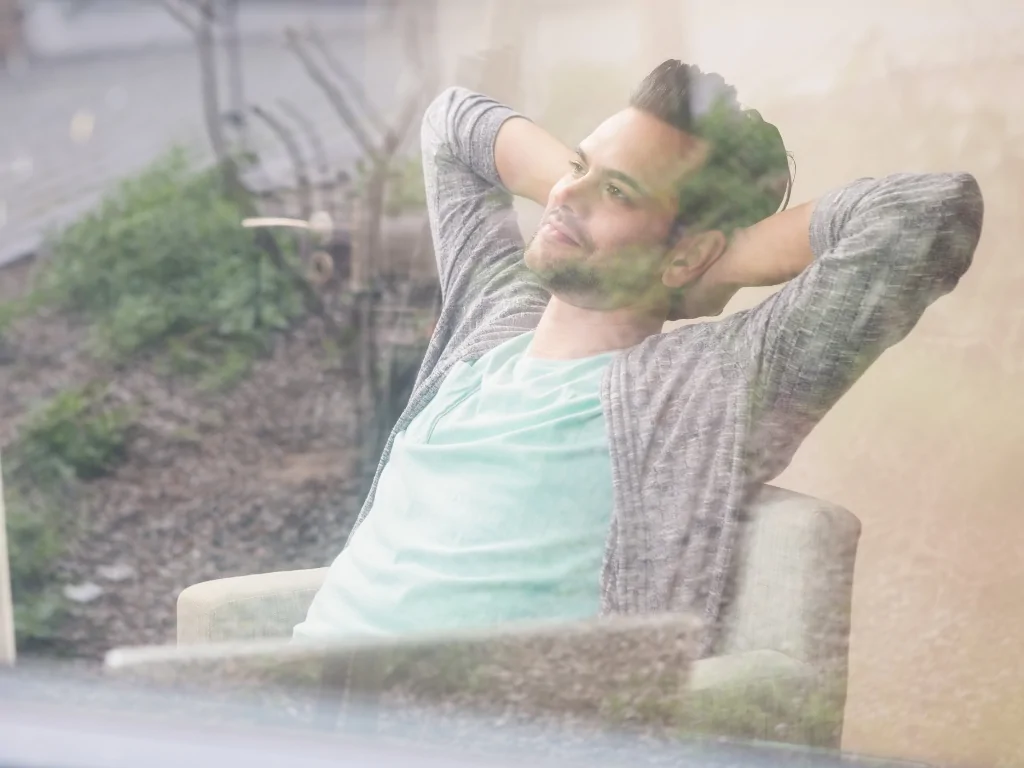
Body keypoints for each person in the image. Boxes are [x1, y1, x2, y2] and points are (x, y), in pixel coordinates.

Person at [294, 60, 983, 654]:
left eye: (616, 192)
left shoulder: (706, 385)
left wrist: (720, 257)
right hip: (280, 715)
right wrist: (596, 192)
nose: (566, 195)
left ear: (688, 251)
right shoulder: (492, 315)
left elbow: (928, 213)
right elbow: (451, 125)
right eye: (576, 167)